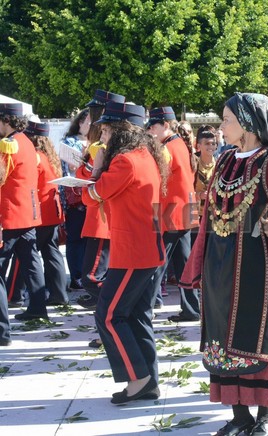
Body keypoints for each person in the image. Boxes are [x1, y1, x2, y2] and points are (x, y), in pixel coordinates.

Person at [179, 93, 268, 436]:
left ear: (248, 125)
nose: (221, 126)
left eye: (227, 120)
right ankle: (240, 416)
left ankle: (265, 417)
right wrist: (199, 259)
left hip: (256, 265)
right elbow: (210, 214)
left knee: (256, 338)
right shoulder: (226, 159)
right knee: (222, 339)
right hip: (218, 265)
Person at [84, 101, 166, 404]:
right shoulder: (143, 155)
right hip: (143, 249)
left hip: (133, 251)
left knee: (108, 316)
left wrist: (97, 167)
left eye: (106, 130)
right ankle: (148, 381)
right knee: (136, 316)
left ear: (120, 131)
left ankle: (138, 379)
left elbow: (91, 196)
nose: (102, 136)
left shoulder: (125, 161)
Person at [0, 103, 49, 347]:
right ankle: (38, 308)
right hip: (28, 213)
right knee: (31, 262)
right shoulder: (27, 141)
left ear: (6, 121)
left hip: (9, 214)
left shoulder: (8, 144)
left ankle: (2, 332)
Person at [146, 106, 200, 322]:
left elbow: (155, 177)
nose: (150, 130)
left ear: (165, 125)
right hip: (185, 210)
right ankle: (191, 309)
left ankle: (146, 309)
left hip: (172, 212)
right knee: (184, 263)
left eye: (154, 126)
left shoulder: (167, 147)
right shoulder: (180, 144)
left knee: (157, 262)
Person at [75, 90, 126, 314]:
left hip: (102, 214)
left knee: (92, 276)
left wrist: (88, 167)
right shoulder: (99, 144)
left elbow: (93, 180)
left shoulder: (104, 147)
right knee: (98, 273)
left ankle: (116, 302)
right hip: (100, 213)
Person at [22, 121, 68, 305]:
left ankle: (21, 293)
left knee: (32, 254)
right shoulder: (49, 155)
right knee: (51, 253)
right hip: (52, 210)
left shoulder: (35, 156)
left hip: (41, 211)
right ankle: (59, 294)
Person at [60, 109, 90, 291]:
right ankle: (76, 276)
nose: (90, 125)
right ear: (80, 123)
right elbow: (70, 167)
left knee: (89, 240)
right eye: (87, 122)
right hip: (76, 197)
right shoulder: (70, 142)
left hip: (93, 196)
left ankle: (87, 275)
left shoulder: (98, 141)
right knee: (75, 238)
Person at [194, 125, 217, 223]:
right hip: (194, 213)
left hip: (213, 213)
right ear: (199, 146)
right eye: (207, 143)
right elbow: (185, 189)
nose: (211, 146)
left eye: (213, 144)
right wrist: (199, 195)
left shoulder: (220, 164)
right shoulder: (193, 163)